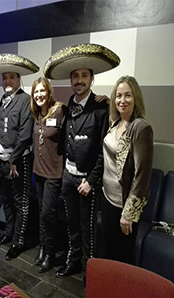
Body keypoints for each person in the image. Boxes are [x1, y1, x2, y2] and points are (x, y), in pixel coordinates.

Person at [44, 43, 120, 277]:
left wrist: (91, 179)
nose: (79, 80)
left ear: (91, 79)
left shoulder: (101, 109)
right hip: (68, 176)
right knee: (72, 224)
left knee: (88, 229)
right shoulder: (68, 108)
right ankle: (74, 260)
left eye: (84, 76)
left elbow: (102, 151)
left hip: (87, 181)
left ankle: (90, 270)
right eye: (75, 76)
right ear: (71, 81)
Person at [0, 54, 39, 260]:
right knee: (5, 199)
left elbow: (24, 134)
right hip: (2, 161)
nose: (7, 81)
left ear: (19, 79)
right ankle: (8, 232)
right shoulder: (2, 102)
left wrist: (13, 158)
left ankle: (19, 241)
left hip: (19, 161)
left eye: (12, 77)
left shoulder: (25, 100)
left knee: (20, 202)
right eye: (5, 77)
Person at [101, 76, 153, 265]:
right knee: (108, 251)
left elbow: (142, 175)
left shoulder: (140, 127)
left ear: (136, 98)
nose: (122, 100)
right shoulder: (115, 123)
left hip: (123, 206)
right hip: (107, 198)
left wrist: (128, 214)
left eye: (128, 96)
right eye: (118, 96)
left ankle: (123, 294)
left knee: (122, 258)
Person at [30, 77, 65, 273]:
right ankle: (43, 248)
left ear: (48, 91)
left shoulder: (59, 110)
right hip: (38, 171)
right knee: (41, 213)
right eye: (36, 92)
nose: (39, 95)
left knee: (48, 214)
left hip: (53, 173)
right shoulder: (36, 114)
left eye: (42, 91)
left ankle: (50, 254)